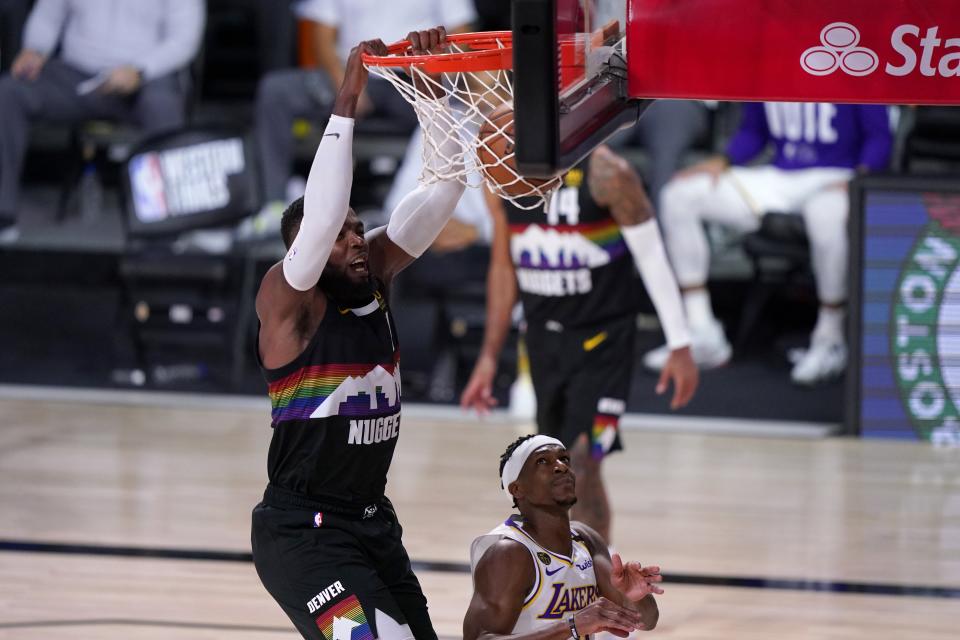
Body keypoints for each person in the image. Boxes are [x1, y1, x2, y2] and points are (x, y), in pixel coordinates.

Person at [250, 29, 466, 640]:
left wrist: (435, 94)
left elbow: (445, 189)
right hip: (301, 535)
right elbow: (318, 221)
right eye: (341, 232)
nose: (353, 239)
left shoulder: (374, 278)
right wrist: (347, 98)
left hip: (372, 523)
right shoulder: (287, 301)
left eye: (358, 228)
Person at [461, 145, 699, 543]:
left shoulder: (608, 172)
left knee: (581, 464)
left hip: (602, 338)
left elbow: (652, 255)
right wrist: (488, 357)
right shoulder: (505, 172)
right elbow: (503, 265)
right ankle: (563, 574)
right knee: (545, 470)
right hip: (541, 338)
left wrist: (680, 343)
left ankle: (598, 583)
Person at [643, 102, 893, 385]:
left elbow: (879, 136)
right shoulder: (769, 62)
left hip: (837, 175)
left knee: (826, 214)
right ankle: (701, 332)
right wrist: (723, 160)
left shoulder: (853, 61)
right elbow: (754, 132)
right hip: (780, 175)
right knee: (679, 194)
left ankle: (831, 338)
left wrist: (862, 176)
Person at [240, 0, 476, 240]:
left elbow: (462, 32)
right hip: (353, 72)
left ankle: (439, 216)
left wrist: (433, 70)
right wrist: (347, 83)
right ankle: (274, 203)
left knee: (456, 102)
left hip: (412, 76)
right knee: (275, 91)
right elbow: (321, 35)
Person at [0, 0, 205, 240]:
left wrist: (139, 69)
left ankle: (164, 227)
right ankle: (3, 214)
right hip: (75, 74)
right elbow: (48, 16)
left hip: (145, 78)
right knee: (8, 93)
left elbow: (184, 40)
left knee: (164, 106)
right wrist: (35, 49)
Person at [463, 434, 663, 639]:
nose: (561, 466)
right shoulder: (509, 553)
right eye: (543, 461)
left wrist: (635, 596)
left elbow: (646, 621)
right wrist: (572, 627)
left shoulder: (586, 539)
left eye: (564, 459)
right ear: (517, 488)